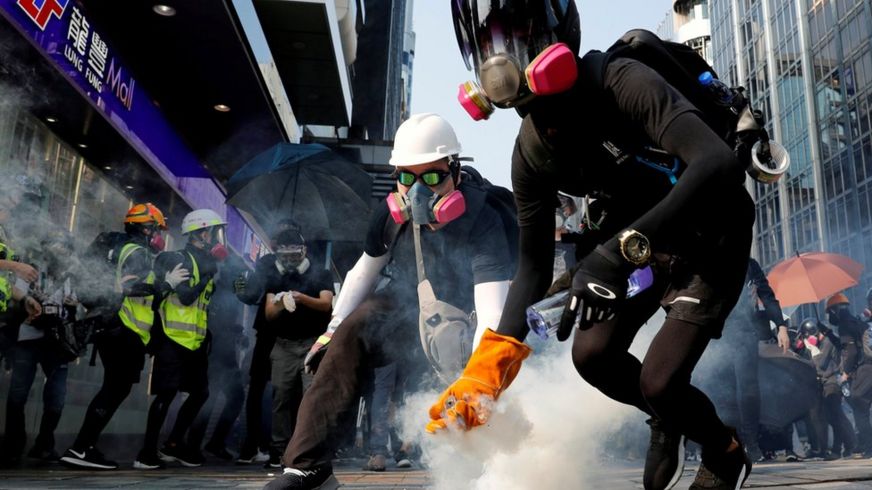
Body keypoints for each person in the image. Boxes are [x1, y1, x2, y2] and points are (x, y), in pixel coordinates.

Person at [431, 4, 759, 490]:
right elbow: (533, 268)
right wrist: (486, 373)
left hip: (712, 232)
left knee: (660, 381)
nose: (500, 60)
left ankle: (723, 451)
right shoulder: (530, 154)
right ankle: (667, 418)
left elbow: (717, 165)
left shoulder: (620, 81)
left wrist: (614, 254)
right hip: (643, 249)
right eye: (486, 47)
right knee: (593, 357)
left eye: (515, 39)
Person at [263, 113, 514, 489]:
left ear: (455, 172)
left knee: (491, 374)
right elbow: (363, 273)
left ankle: (501, 464)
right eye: (407, 177)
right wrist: (331, 333)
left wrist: (478, 379)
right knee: (354, 327)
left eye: (431, 177)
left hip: (469, 317)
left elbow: (493, 311)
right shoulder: (389, 215)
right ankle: (308, 466)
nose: (418, 191)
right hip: (410, 308)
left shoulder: (483, 217)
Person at [60, 203, 167, 470]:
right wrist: (167, 284)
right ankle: (81, 448)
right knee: (115, 388)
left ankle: (86, 446)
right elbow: (131, 287)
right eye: (155, 228)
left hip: (112, 327)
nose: (157, 235)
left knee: (114, 387)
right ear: (144, 227)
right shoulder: (138, 252)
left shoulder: (118, 248)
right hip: (125, 330)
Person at [133, 209, 227, 469]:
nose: (219, 239)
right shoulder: (178, 258)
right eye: (216, 232)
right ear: (202, 233)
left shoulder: (206, 261)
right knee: (166, 394)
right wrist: (209, 273)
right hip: (172, 339)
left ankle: (174, 444)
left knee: (200, 393)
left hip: (194, 342)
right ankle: (146, 453)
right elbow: (185, 297)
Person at [0, 231, 78, 465]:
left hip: (56, 342)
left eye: (64, 247)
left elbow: (75, 307)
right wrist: (27, 304)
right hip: (28, 338)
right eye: (56, 245)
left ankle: (45, 444)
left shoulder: (70, 277)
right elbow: (15, 292)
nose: (60, 251)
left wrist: (72, 307)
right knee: (18, 393)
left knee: (56, 396)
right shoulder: (31, 270)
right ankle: (13, 445)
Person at [703, 258, 789, 462]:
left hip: (744, 332)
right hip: (716, 332)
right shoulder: (710, 257)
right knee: (716, 388)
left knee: (748, 389)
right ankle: (718, 442)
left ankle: (751, 443)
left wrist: (781, 326)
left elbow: (767, 295)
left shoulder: (750, 265)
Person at [262, 229, 333, 468]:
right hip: (283, 346)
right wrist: (282, 302)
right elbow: (269, 314)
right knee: (281, 397)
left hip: (312, 345)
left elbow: (326, 304)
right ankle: (279, 450)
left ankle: (309, 448)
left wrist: (301, 298)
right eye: (286, 256)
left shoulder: (320, 273)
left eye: (295, 255)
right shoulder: (275, 275)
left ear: (304, 252)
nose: (291, 261)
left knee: (311, 398)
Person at [235, 219, 300, 465]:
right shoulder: (302, 266)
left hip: (267, 334)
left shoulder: (263, 264)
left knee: (258, 391)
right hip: (289, 337)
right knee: (284, 393)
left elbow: (248, 295)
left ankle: (251, 446)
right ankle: (276, 449)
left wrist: (238, 283)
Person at [187, 255, 248, 461]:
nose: (241, 278)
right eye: (238, 273)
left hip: (225, 354)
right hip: (214, 354)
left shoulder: (232, 294)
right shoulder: (217, 292)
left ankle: (213, 443)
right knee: (209, 399)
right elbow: (211, 321)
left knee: (233, 397)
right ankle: (193, 446)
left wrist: (236, 330)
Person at [826, 293, 872, 456]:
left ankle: (869, 448)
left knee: (858, 402)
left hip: (865, 369)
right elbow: (844, 345)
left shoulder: (844, 325)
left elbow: (851, 352)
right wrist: (828, 333)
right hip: (866, 367)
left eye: (829, 312)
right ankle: (864, 444)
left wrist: (845, 372)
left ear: (834, 311)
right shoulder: (854, 321)